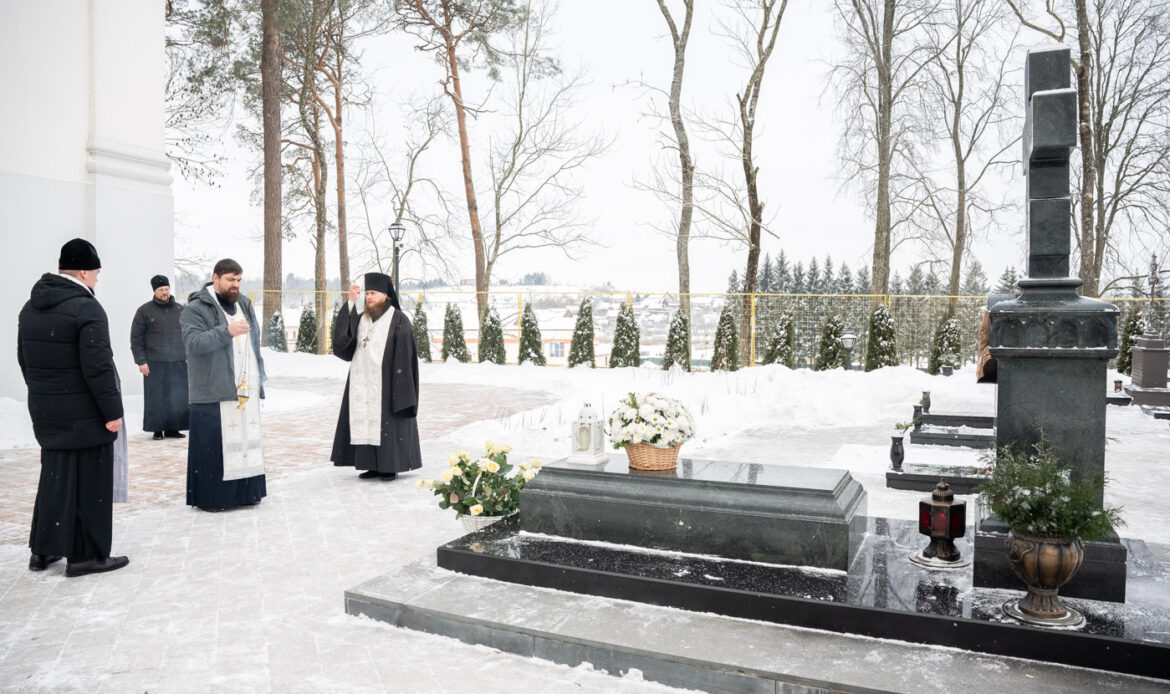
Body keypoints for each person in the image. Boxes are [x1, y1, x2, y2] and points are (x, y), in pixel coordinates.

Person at [17, 238, 130, 577]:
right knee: (90, 484)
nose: (96, 278)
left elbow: (24, 360)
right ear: (83, 271)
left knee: (55, 480)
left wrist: (45, 395)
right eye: (96, 272)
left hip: (48, 410)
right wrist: (112, 413)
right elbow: (98, 368)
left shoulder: (30, 307)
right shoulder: (87, 308)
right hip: (85, 415)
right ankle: (86, 555)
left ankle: (44, 550)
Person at [181, 259, 267, 511]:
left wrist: (259, 378)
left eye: (239, 280)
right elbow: (193, 343)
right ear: (215, 278)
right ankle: (214, 498)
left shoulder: (244, 303)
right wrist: (226, 331)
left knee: (244, 443)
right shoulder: (195, 308)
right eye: (230, 279)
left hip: (245, 388)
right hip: (212, 390)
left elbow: (254, 343)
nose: (235, 285)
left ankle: (247, 493)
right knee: (215, 449)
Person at [330, 272, 422, 479]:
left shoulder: (399, 320)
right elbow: (342, 344)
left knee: (386, 423)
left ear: (386, 295)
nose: (369, 297)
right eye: (367, 293)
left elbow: (406, 357)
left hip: (388, 384)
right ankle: (370, 464)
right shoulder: (362, 319)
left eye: (373, 293)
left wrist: (401, 387)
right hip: (362, 383)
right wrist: (351, 303)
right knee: (365, 419)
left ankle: (390, 465)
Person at [130, 275, 190, 440]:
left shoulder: (180, 310)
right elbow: (136, 338)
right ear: (154, 291)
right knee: (156, 397)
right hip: (155, 362)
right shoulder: (144, 311)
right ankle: (157, 429)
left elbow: (188, 334)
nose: (165, 292)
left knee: (177, 396)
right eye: (161, 290)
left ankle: (173, 428)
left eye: (166, 289)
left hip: (178, 361)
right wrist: (141, 361)